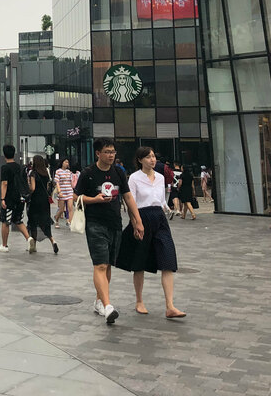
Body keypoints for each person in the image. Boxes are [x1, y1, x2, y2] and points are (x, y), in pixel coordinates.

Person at [74, 139, 143, 325]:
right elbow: (75, 197)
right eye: (107, 152)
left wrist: (138, 221)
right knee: (101, 265)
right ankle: (108, 306)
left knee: (108, 265)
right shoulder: (88, 174)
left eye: (113, 151)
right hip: (95, 224)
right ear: (98, 153)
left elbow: (128, 197)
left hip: (115, 224)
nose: (111, 155)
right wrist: (94, 199)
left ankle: (99, 302)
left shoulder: (119, 172)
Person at [114, 147, 185, 319]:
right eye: (148, 157)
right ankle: (139, 301)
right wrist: (136, 223)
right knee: (140, 262)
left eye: (153, 156)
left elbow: (161, 201)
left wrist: (168, 210)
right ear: (140, 160)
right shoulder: (134, 179)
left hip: (159, 218)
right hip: (141, 217)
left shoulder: (160, 178)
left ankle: (170, 306)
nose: (152, 160)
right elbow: (131, 203)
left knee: (168, 259)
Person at [0, 144, 30, 252]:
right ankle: (29, 239)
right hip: (20, 198)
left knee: (5, 221)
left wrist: (2, 199)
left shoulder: (5, 168)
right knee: (18, 220)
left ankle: (4, 245)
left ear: (4, 154)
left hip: (9, 198)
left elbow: (4, 184)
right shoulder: (20, 167)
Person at [26, 155, 58, 254]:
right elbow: (48, 187)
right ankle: (53, 241)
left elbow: (33, 188)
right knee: (45, 221)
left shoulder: (33, 173)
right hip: (45, 200)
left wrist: (28, 187)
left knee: (33, 222)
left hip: (35, 200)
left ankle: (33, 245)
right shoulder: (45, 173)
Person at [53, 159, 74, 228]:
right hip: (62, 192)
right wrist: (59, 191)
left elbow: (71, 182)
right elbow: (57, 182)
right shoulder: (58, 171)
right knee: (61, 209)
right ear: (62, 163)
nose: (67, 163)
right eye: (65, 162)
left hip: (69, 191)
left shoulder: (69, 172)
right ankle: (56, 220)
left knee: (70, 208)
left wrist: (73, 190)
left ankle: (70, 222)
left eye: (68, 162)